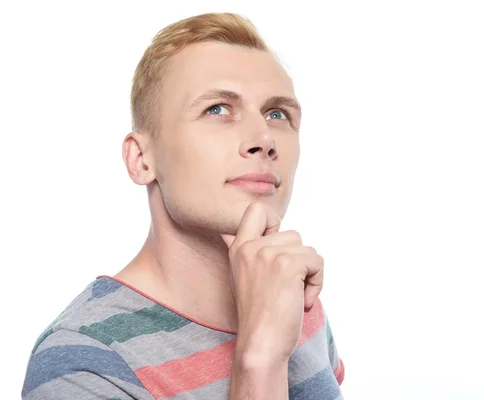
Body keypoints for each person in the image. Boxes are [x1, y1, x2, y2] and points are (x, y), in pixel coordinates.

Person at [21, 12, 345, 400]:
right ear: (141, 160)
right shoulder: (81, 364)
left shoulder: (290, 294)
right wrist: (259, 359)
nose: (264, 138)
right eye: (218, 109)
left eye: (277, 114)